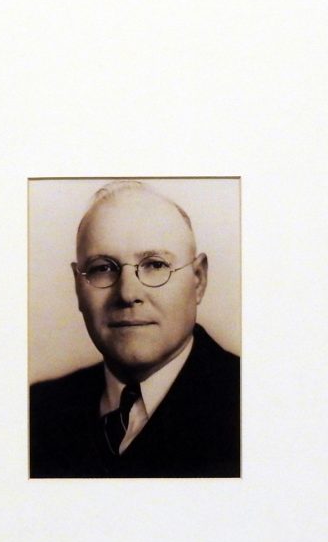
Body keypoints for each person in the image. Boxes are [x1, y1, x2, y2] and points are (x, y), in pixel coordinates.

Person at [30, 181, 240, 478]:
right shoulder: (37, 411)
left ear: (198, 280)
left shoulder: (251, 402)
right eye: (103, 268)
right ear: (78, 286)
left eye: (155, 265)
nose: (127, 293)